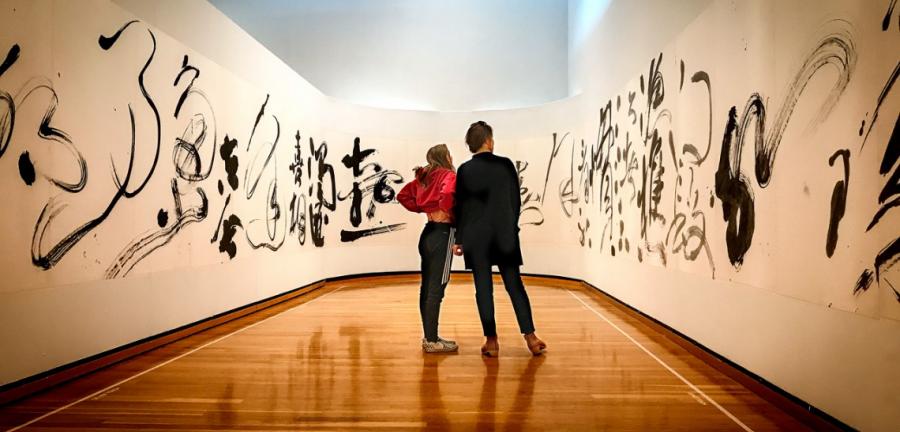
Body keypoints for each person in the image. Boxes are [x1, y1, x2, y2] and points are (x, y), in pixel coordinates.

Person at [452, 121, 547, 357]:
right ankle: (531, 338)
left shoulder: (464, 170)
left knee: (483, 289)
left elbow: (460, 206)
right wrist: (511, 226)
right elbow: (515, 201)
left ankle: (492, 341)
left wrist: (459, 238)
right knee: (515, 286)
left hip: (476, 237)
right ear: (488, 141)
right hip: (504, 234)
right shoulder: (505, 165)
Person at [397, 144, 459, 353]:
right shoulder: (448, 175)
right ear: (445, 157)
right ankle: (432, 340)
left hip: (427, 232)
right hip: (442, 234)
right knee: (437, 288)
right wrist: (446, 209)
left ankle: (430, 337)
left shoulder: (424, 177)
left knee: (427, 288)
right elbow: (449, 193)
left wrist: (425, 207)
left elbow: (403, 196)